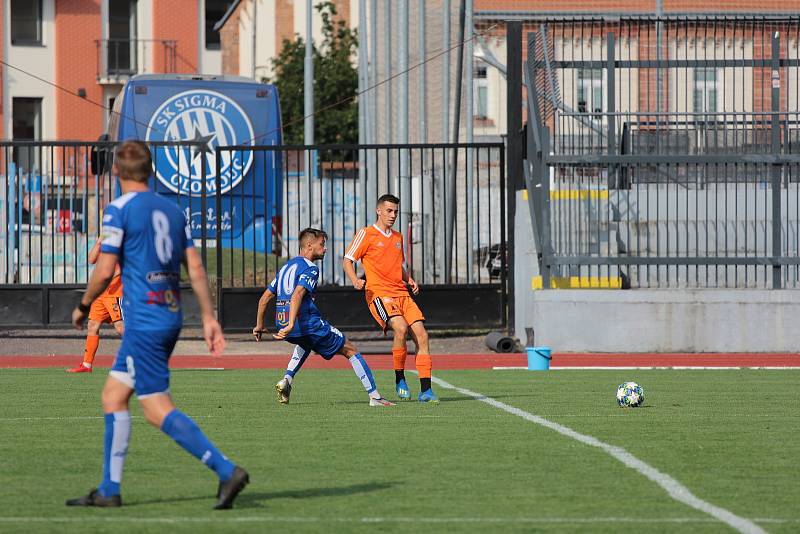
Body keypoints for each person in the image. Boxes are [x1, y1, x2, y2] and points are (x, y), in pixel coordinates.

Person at [67, 140, 248, 509]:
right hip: (169, 314)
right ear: (150, 171)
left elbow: (104, 270)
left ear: (116, 171)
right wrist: (210, 317)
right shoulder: (172, 210)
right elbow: (195, 268)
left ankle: (227, 469)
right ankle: (108, 489)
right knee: (113, 396)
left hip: (145, 319)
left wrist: (83, 305)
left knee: (154, 407)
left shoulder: (118, 209)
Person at [253, 227, 395, 407]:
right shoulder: (310, 268)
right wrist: (290, 324)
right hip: (303, 323)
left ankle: (287, 380)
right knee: (350, 350)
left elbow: (264, 298)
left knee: (306, 343)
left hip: (284, 325)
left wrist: (259, 325)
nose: (325, 248)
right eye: (322, 244)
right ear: (310, 245)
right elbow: (297, 295)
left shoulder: (286, 267)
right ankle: (375, 397)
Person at [343, 194, 438, 403]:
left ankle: (426, 390)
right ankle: (400, 379)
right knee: (401, 328)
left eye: (395, 211)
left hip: (402, 293)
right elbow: (347, 260)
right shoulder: (366, 234)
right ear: (379, 211)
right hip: (379, 293)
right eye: (389, 211)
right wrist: (354, 280)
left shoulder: (397, 237)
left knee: (422, 335)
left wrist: (409, 278)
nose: (393, 215)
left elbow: (398, 265)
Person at [67, 236, 124, 373]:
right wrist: (98, 243)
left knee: (120, 328)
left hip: (115, 293)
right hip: (101, 293)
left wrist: (110, 277)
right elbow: (91, 259)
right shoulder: (105, 237)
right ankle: (87, 365)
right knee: (93, 325)